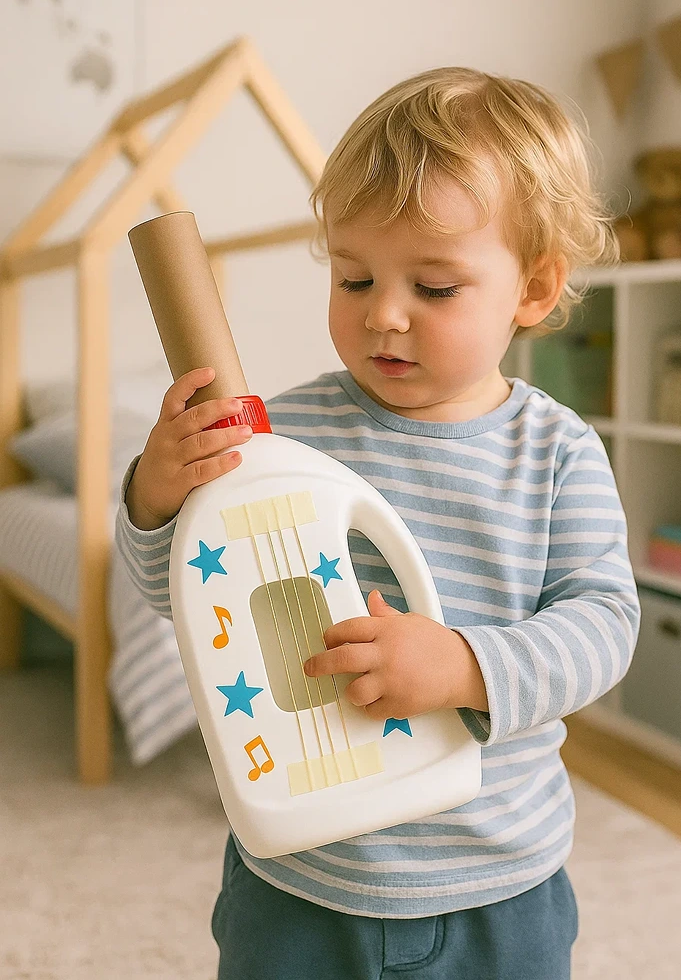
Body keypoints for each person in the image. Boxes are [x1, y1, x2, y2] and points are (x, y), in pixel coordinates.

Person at [116, 66, 640, 980]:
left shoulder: (557, 451)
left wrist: (468, 666)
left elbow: (605, 623)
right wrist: (156, 499)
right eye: (354, 277)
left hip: (497, 881)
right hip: (301, 879)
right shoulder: (283, 434)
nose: (383, 314)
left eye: (433, 289)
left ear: (535, 289)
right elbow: (186, 597)